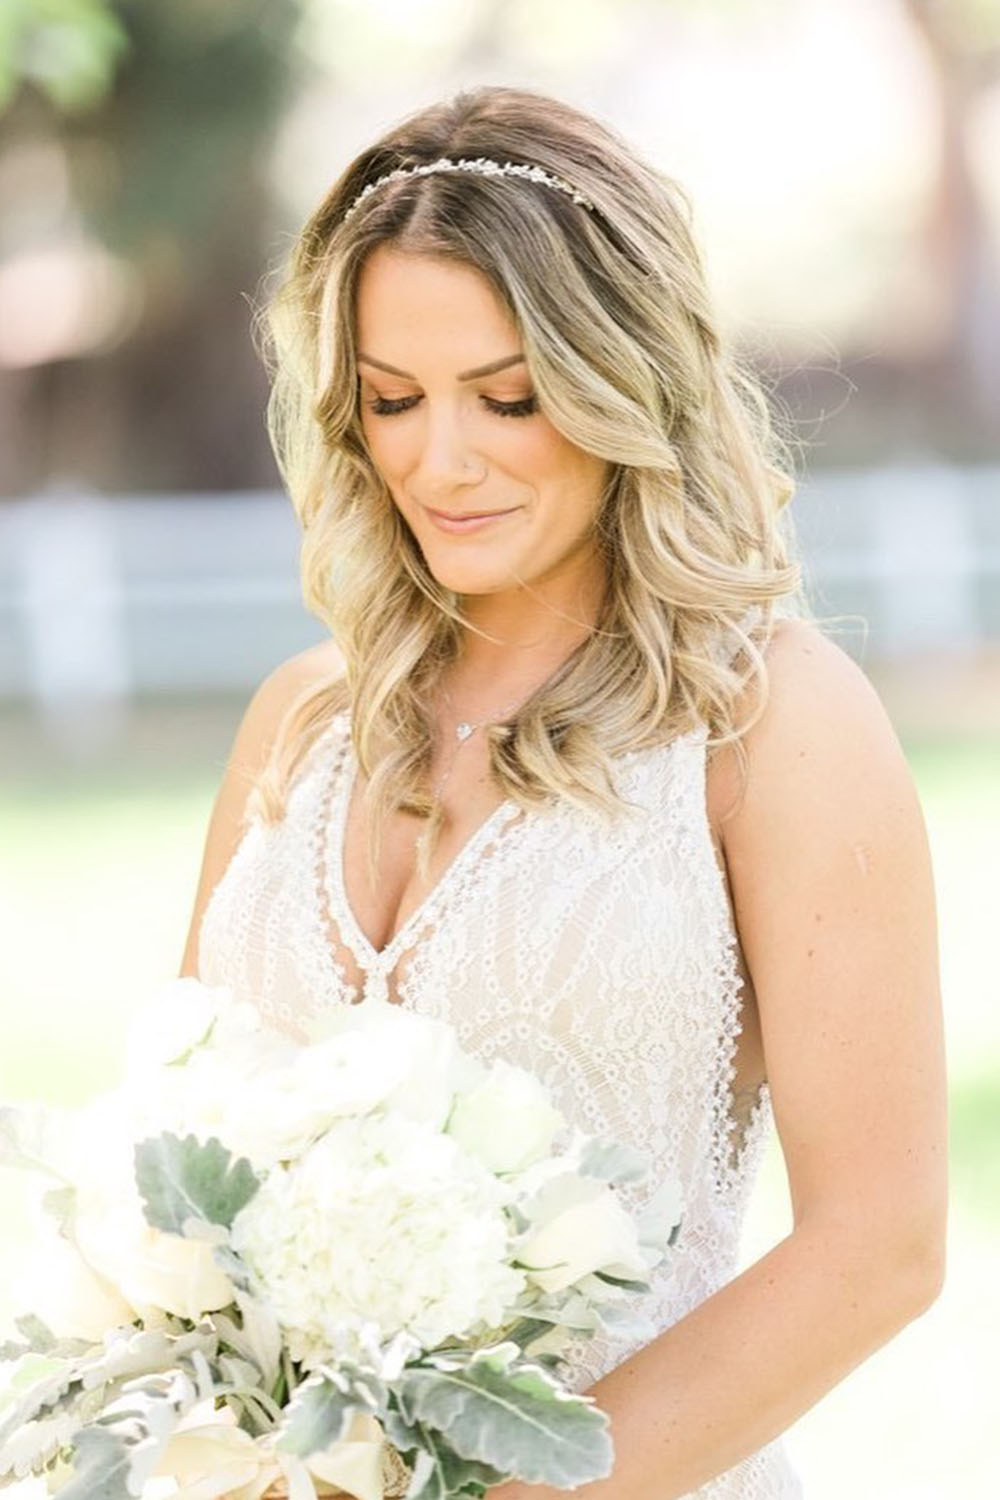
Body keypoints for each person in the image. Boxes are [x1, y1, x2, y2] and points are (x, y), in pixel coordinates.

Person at [179, 85, 947, 1500]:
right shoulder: (299, 723)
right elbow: (181, 1171)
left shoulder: (767, 723)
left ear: (621, 379)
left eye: (508, 397)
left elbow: (880, 1243)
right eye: (392, 400)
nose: (437, 459)